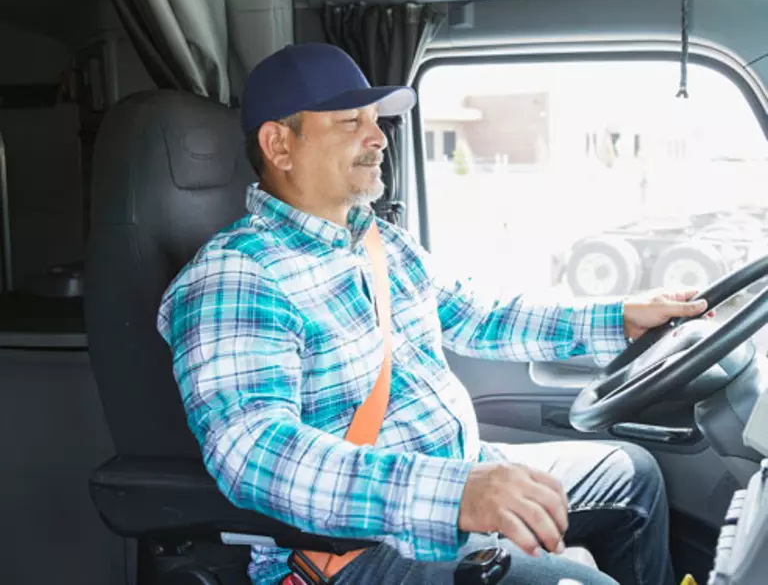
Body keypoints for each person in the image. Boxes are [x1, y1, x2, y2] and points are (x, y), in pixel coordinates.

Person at [157, 43, 709, 585]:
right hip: (360, 549)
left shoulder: (380, 242)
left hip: (460, 473)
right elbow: (254, 450)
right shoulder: (236, 276)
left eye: (376, 121)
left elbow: (481, 316)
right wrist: (456, 494)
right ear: (279, 145)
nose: (378, 139)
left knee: (631, 475)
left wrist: (620, 318)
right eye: (351, 122)